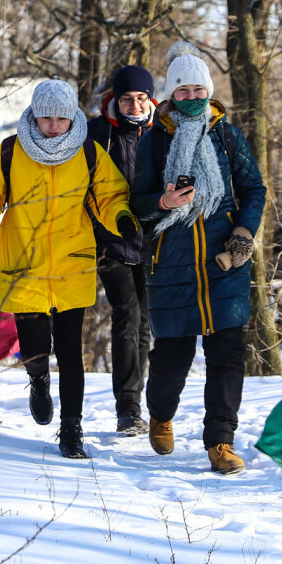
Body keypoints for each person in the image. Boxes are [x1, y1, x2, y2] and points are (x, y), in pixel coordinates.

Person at [0, 79, 134, 458]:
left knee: (71, 350)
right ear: (34, 116)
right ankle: (37, 379)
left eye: (60, 118)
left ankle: (71, 428)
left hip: (72, 260)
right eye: (46, 118)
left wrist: (120, 216)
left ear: (72, 116)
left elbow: (110, 193)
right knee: (36, 346)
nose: (53, 125)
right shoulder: (11, 150)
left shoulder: (88, 151)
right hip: (25, 259)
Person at [130, 41, 266, 475]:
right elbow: (136, 203)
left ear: (209, 91)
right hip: (170, 265)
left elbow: (254, 191)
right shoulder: (153, 141)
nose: (190, 97)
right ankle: (161, 413)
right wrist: (164, 202)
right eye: (181, 91)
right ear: (170, 96)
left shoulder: (227, 136)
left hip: (224, 263)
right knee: (172, 358)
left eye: (197, 89)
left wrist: (243, 236)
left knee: (228, 354)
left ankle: (220, 442)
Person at [87, 64, 157, 436]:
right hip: (109, 242)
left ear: (150, 99)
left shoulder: (161, 131)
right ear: (115, 99)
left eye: (140, 98)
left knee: (145, 320)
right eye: (127, 99)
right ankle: (128, 408)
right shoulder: (98, 132)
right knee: (127, 315)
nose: (133, 105)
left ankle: (139, 403)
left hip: (152, 241)